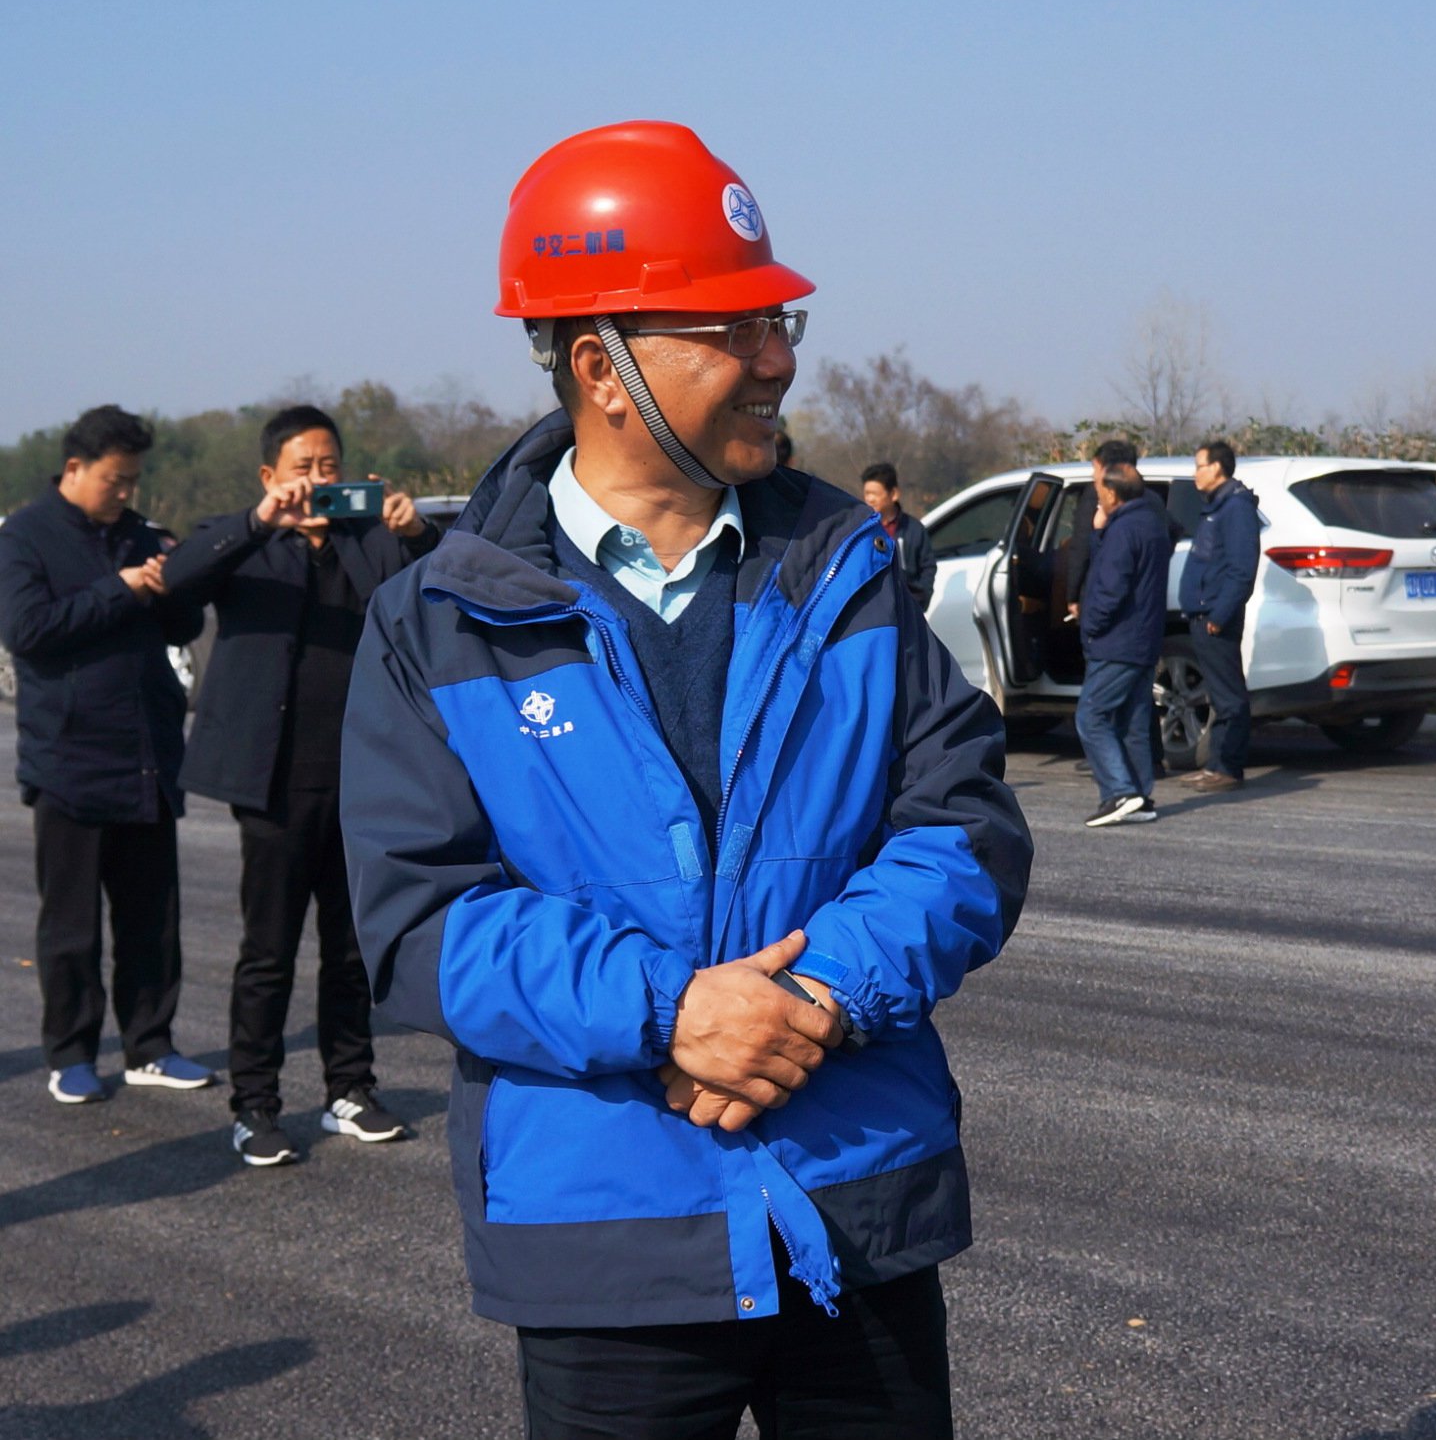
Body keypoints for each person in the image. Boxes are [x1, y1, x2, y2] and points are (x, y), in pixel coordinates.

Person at [342, 121, 1033, 1439]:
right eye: (733, 329)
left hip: (854, 1205)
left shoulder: (848, 568)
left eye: (780, 322)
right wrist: (672, 1010)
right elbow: (422, 921)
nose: (778, 359)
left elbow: (964, 827)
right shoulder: (437, 620)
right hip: (608, 1237)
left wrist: (818, 994)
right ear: (600, 366)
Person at [162, 404, 437, 1167]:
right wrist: (261, 520)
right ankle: (255, 1104)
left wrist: (417, 531)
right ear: (269, 475)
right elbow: (177, 582)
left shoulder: (371, 539)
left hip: (362, 780)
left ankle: (349, 1088)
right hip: (274, 783)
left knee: (351, 949)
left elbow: (442, 595)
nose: (318, 481)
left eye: (329, 467)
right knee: (269, 951)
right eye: (302, 468)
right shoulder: (244, 541)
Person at [0, 405, 212, 1104]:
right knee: (71, 927)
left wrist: (171, 582)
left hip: (146, 756)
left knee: (152, 920)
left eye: (132, 481)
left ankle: (151, 1044)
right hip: (69, 761)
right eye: (114, 480)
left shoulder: (139, 534)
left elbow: (182, 626)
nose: (124, 492)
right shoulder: (25, 537)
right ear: (75, 468)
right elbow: (28, 630)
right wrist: (116, 589)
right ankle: (71, 1053)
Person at [1072, 443, 1168, 827]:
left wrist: (1090, 626)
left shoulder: (1125, 529)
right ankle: (1140, 797)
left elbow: (1110, 587)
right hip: (1143, 640)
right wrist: (1099, 532)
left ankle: (1120, 791)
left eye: (1100, 491)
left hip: (1118, 641)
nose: (1098, 497)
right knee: (1132, 722)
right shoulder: (1151, 523)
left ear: (1112, 493)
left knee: (1091, 716)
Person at [1176, 439, 1261, 794]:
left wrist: (1219, 614)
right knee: (1217, 694)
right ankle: (1214, 765)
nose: (1195, 473)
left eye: (1199, 466)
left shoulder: (1236, 508)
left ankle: (1228, 767)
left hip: (1215, 616)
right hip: (1203, 612)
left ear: (1217, 468)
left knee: (1229, 696)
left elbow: (1242, 570)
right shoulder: (1217, 506)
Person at [860, 462, 936, 611]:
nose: (870, 499)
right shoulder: (862, 530)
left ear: (894, 494)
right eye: (867, 494)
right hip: (874, 611)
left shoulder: (913, 529)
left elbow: (928, 566)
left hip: (908, 609)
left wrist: (920, 599)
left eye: (875, 494)